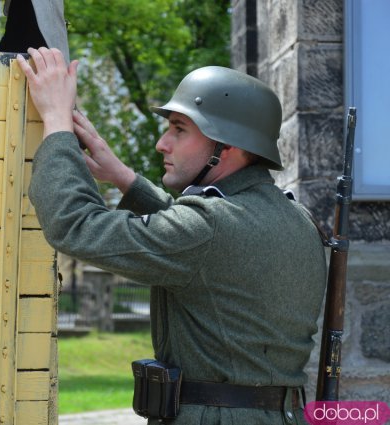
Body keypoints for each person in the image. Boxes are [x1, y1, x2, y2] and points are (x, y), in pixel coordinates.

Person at [17, 47, 327, 425]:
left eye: (179, 129)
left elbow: (74, 225)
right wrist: (125, 179)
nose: (162, 143)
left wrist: (55, 123)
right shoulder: (297, 219)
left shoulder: (209, 227)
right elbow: (205, 244)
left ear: (226, 146)